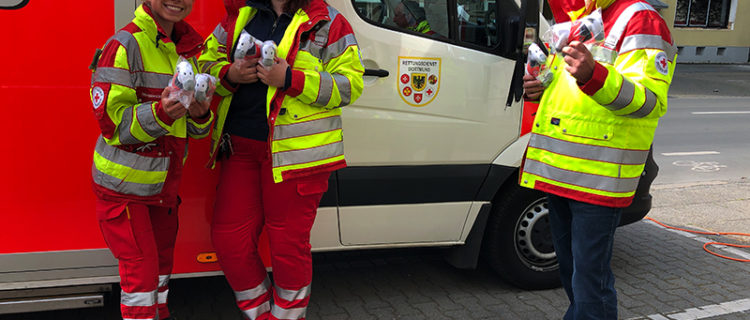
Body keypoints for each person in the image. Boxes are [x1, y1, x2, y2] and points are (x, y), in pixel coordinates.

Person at [198, 0, 364, 318]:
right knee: (228, 240)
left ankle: (287, 315)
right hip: (240, 150)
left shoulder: (328, 22)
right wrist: (229, 73)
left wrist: (291, 79)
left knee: (288, 246)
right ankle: (260, 314)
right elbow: (204, 64)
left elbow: (350, 86)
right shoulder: (239, 14)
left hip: (296, 156)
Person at [520, 0, 675, 319]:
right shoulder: (574, 20)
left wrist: (596, 76)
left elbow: (649, 102)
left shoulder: (640, 18)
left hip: (599, 178)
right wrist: (540, 89)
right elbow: (568, 94)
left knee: (590, 284)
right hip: (561, 173)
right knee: (575, 278)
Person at [89, 0, 213, 319]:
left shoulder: (186, 50)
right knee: (142, 277)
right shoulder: (124, 44)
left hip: (162, 189)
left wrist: (200, 115)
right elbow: (113, 125)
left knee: (159, 273)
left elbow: (194, 131)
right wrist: (161, 113)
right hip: (123, 188)